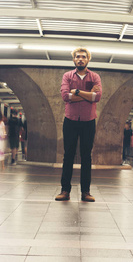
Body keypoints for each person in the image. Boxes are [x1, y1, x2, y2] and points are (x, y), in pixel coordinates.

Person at [55, 47, 102, 202]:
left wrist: (77, 92)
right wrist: (88, 95)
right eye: (77, 57)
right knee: (68, 155)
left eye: (83, 57)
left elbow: (98, 97)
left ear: (88, 59)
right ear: (74, 59)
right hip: (70, 120)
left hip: (89, 121)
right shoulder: (67, 76)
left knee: (86, 157)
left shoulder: (95, 77)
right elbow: (64, 96)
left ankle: (86, 192)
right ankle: (65, 191)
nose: (80, 59)